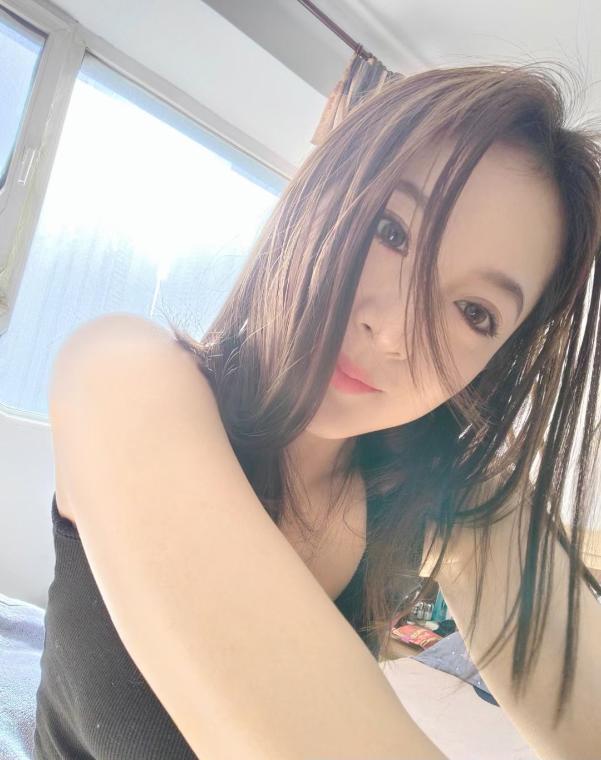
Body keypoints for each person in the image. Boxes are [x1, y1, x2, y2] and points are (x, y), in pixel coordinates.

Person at [38, 63, 601, 759]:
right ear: (319, 193)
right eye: (391, 231)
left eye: (473, 312)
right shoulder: (120, 371)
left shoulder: (448, 491)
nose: (392, 332)